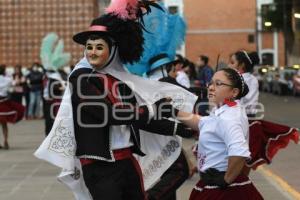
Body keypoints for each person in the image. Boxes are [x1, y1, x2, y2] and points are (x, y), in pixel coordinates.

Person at [68, 2, 196, 199]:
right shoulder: (81, 80)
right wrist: (153, 109)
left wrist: (175, 128)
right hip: (99, 167)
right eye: (89, 47)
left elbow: (136, 116)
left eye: (99, 47)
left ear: (112, 51)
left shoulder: (123, 80)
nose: (92, 52)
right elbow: (108, 114)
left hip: (127, 161)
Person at [172, 67, 263, 199]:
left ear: (234, 92)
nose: (211, 87)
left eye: (218, 84)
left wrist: (225, 180)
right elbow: (203, 123)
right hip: (215, 182)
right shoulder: (228, 107)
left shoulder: (229, 117)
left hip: (223, 190)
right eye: (211, 83)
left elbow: (239, 153)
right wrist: (173, 111)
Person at [228, 50, 299, 173]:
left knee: (240, 165)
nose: (229, 65)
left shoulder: (244, 80)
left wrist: (225, 99)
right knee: (238, 166)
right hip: (241, 122)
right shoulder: (247, 79)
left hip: (244, 124)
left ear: (241, 65)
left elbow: (241, 103)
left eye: (232, 62)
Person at [0, 64, 25, 149]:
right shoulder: (7, 79)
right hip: (4, 102)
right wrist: (17, 77)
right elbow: (15, 83)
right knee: (4, 124)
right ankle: (5, 140)